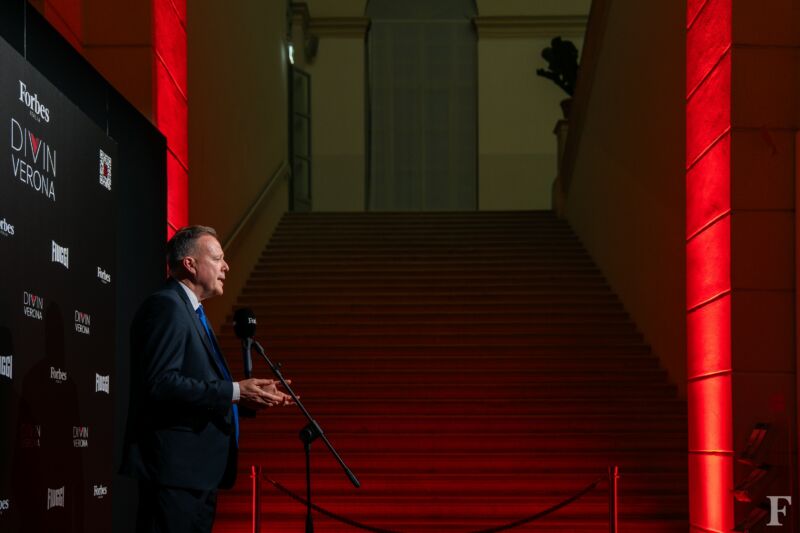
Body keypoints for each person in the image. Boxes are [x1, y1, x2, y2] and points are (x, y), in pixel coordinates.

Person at [121, 225, 292, 533]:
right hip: (174, 476)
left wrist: (247, 397)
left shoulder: (192, 311)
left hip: (196, 475)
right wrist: (235, 391)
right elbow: (161, 384)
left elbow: (198, 386)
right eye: (217, 258)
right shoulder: (167, 307)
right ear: (190, 263)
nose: (226, 266)